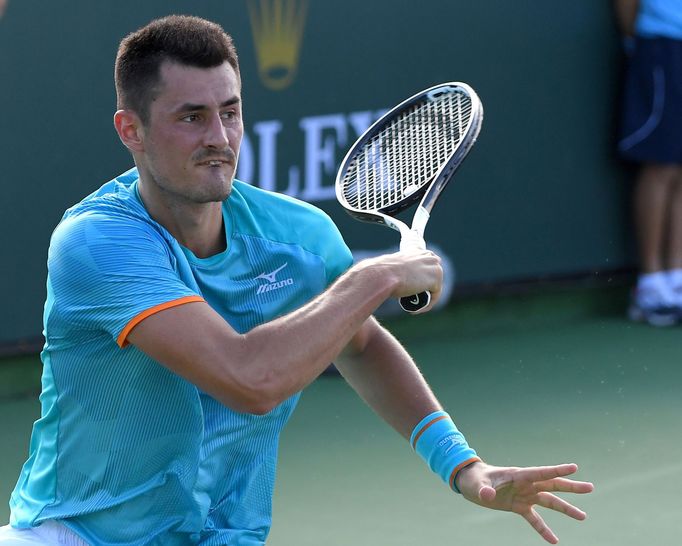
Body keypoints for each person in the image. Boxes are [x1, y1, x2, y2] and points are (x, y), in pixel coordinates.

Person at [1, 15, 593, 546]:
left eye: (230, 112)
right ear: (130, 130)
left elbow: (361, 344)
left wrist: (463, 466)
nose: (220, 138)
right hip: (74, 535)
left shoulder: (297, 235)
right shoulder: (96, 243)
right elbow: (250, 381)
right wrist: (377, 276)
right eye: (191, 117)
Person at [615, 0, 682, 326]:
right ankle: (651, 284)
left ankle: (676, 276)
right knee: (662, 164)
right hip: (661, 45)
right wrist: (636, 39)